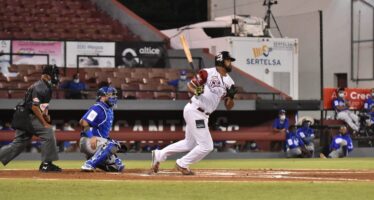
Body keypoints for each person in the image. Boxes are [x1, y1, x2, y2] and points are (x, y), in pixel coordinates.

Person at [151, 51, 238, 175]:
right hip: (195, 110)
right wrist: (196, 91)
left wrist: (231, 97)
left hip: (204, 115)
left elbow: (229, 106)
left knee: (189, 143)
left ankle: (159, 154)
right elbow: (190, 86)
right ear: (221, 61)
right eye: (228, 61)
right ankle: (182, 163)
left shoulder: (230, 82)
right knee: (207, 146)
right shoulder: (207, 72)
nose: (230, 63)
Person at [0, 65, 62, 172]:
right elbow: (34, 107)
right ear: (47, 76)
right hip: (27, 115)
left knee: (19, 144)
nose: (56, 77)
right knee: (47, 132)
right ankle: (46, 164)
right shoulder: (40, 86)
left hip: (23, 114)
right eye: (54, 75)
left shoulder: (46, 86)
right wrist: (44, 122)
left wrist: (45, 114)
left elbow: (43, 105)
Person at [79, 86, 125, 172]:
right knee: (113, 144)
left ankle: (95, 160)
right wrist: (91, 137)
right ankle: (89, 164)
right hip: (88, 140)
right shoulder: (98, 107)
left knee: (118, 166)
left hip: (98, 143)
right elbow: (83, 122)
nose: (114, 97)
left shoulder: (109, 109)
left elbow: (102, 133)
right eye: (111, 94)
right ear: (102, 96)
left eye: (114, 94)